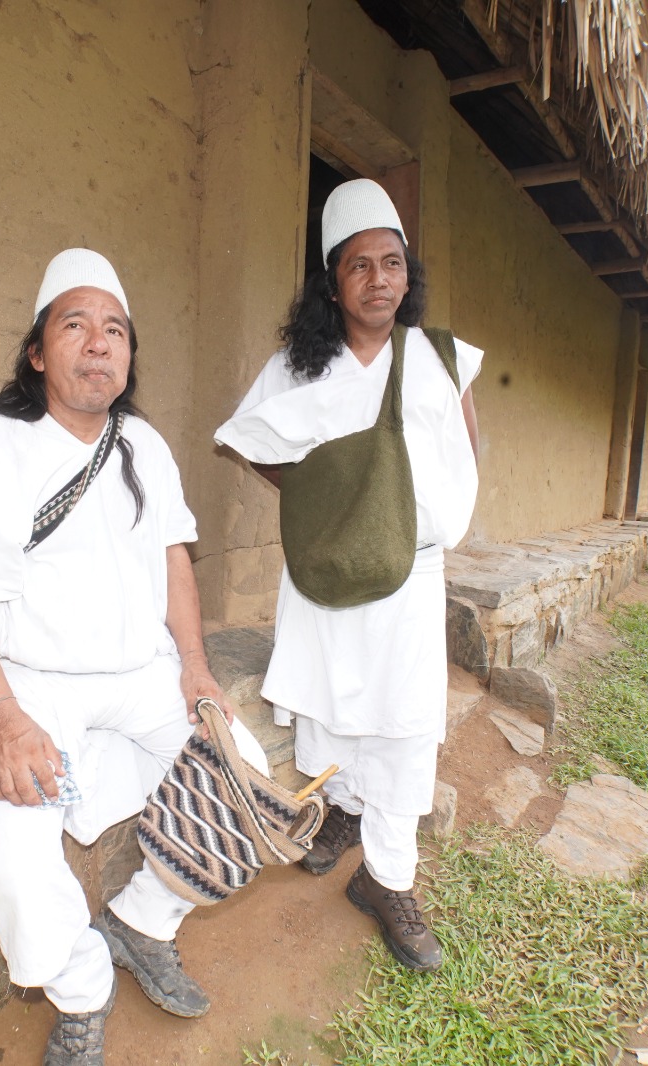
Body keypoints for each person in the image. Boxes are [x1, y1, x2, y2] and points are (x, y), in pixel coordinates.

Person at [0, 248, 268, 1066]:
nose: (99, 342)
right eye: (76, 325)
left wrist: (195, 669)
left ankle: (142, 921)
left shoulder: (146, 446)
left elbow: (174, 560)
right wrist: (1, 716)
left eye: (115, 330)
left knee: (246, 779)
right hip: (26, 681)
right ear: (37, 352)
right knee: (24, 860)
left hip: (141, 671)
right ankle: (81, 988)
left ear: (128, 354)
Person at [215, 179, 482, 973]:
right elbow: (248, 439)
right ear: (332, 283)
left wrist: (405, 510)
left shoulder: (440, 359)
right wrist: (318, 500)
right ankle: (340, 811)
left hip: (409, 574)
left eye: (391, 262)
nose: (377, 278)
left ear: (408, 274)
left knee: (404, 727)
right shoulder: (300, 366)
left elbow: (463, 456)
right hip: (327, 572)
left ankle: (388, 880)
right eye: (358, 265)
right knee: (331, 708)